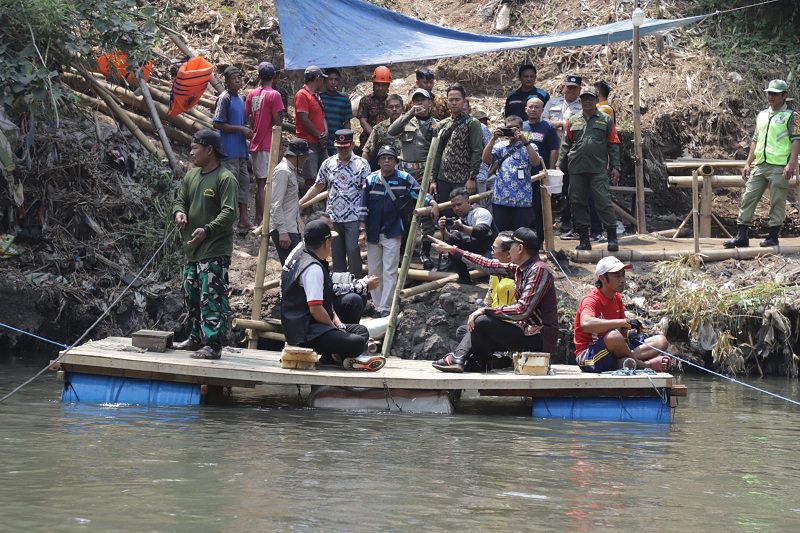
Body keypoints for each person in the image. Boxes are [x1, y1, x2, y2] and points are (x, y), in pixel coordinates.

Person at [428, 227, 558, 373]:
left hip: (538, 339)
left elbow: (522, 310)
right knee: (465, 330)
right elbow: (487, 265)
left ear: (520, 248)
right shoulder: (520, 268)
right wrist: (453, 250)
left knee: (480, 322)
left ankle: (462, 358)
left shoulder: (539, 270)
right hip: (524, 332)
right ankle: (483, 362)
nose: (509, 251)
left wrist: (485, 310)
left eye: (512, 246)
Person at [280, 220, 385, 371]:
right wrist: (334, 328)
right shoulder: (313, 268)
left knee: (361, 331)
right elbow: (316, 309)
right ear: (327, 243)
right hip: (305, 332)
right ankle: (353, 356)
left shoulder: (303, 256)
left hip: (306, 324)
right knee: (355, 342)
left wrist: (339, 325)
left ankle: (349, 357)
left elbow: (326, 302)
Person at [172, 129, 238, 360]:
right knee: (191, 294)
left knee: (212, 297)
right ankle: (195, 337)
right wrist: (179, 212)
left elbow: (229, 213)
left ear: (210, 150)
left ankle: (214, 344)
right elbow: (181, 200)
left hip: (215, 249)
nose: (191, 153)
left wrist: (207, 229)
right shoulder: (191, 176)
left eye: (194, 148)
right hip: (192, 249)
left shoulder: (225, 178)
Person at [359, 146, 437, 316]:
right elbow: (363, 206)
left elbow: (419, 193)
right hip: (372, 233)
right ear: (378, 161)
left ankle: (385, 308)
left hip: (393, 231)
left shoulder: (404, 178)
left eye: (390, 158)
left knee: (390, 270)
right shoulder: (370, 180)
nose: (387, 160)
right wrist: (362, 230)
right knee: (374, 271)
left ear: (396, 161)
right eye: (383, 157)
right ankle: (378, 304)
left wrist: (432, 203)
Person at [724, 79, 800, 249]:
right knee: (748, 197)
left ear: (784, 96)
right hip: (761, 164)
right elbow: (755, 140)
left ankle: (773, 237)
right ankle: (741, 236)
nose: (771, 97)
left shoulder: (792, 116)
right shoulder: (762, 114)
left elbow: (796, 140)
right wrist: (747, 163)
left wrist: (792, 163)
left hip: (780, 166)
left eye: (775, 94)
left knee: (777, 201)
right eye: (769, 93)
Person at [574, 256, 670, 373]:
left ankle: (628, 362)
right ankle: (645, 365)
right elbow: (586, 324)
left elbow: (621, 332)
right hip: (589, 356)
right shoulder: (591, 300)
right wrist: (622, 322)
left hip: (614, 352)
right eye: (617, 276)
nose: (623, 280)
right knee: (613, 337)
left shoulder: (617, 297)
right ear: (602, 278)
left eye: (623, 275)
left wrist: (629, 331)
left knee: (661, 341)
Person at [283, 212, 379, 324]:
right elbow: (324, 291)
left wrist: (359, 286)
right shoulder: (311, 263)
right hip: (303, 314)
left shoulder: (310, 250)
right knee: (354, 299)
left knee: (355, 286)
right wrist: (360, 286)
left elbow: (325, 284)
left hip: (301, 307)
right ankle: (343, 335)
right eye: (325, 229)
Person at [557, 86, 622, 252]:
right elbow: (566, 145)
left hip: (597, 168)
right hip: (576, 168)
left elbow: (614, 144)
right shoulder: (572, 120)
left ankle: (612, 238)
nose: (587, 102)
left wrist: (616, 166)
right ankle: (584, 239)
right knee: (577, 202)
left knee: (603, 201)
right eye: (584, 99)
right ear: (581, 101)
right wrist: (559, 166)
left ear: (595, 100)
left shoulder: (606, 120)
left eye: (590, 99)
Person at [299, 129, 370, 277]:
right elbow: (318, 186)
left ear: (352, 145)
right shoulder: (328, 163)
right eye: (339, 147)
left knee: (353, 251)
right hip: (333, 218)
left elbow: (367, 193)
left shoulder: (362, 165)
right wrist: (301, 202)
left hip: (353, 217)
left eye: (345, 146)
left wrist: (364, 223)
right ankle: (340, 288)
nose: (342, 150)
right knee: (336, 255)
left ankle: (357, 286)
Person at [389, 87, 441, 267]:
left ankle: (426, 253)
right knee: (403, 212)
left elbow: (437, 154)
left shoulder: (436, 124)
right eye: (416, 100)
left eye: (423, 100)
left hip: (423, 174)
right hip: (405, 174)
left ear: (429, 102)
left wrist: (433, 179)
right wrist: (409, 113)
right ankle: (404, 252)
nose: (420, 103)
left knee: (425, 213)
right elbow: (391, 131)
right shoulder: (407, 122)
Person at [482, 115, 541, 233]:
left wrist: (526, 142)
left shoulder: (531, 146)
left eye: (516, 128)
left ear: (521, 129)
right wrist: (493, 139)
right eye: (509, 128)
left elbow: (536, 162)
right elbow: (486, 159)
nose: (512, 131)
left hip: (522, 200)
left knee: (520, 235)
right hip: (501, 199)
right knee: (502, 235)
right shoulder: (500, 146)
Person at [213, 66, 253, 230]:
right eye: (234, 78)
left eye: (239, 78)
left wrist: (246, 129)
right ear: (227, 81)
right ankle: (225, 221)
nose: (238, 80)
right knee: (229, 187)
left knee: (244, 183)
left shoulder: (240, 99)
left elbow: (240, 121)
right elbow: (217, 123)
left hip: (241, 150)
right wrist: (240, 129)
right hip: (227, 150)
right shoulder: (225, 98)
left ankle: (243, 219)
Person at [245, 61, 285, 224]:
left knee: (260, 181)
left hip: (256, 142)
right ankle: (263, 219)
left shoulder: (251, 94)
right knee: (266, 182)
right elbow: (277, 122)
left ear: (259, 76)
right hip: (269, 143)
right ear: (274, 76)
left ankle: (258, 217)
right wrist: (280, 144)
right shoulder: (274, 95)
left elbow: (247, 116)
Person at [544, 74, 584, 236]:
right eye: (568, 87)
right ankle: (547, 222)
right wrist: (565, 124)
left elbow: (581, 124)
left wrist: (559, 125)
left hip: (571, 153)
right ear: (563, 87)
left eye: (574, 88)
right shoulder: (553, 102)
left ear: (579, 89)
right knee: (548, 187)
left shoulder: (582, 105)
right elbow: (543, 119)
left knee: (569, 188)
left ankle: (567, 222)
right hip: (550, 151)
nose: (570, 90)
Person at [431, 84, 484, 204]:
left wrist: (471, 178)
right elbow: (437, 152)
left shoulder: (472, 123)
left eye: (457, 99)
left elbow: (477, 151)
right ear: (446, 102)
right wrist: (433, 180)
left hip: (462, 179)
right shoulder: (442, 124)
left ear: (464, 101)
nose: (454, 103)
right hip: (442, 178)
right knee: (445, 213)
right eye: (451, 100)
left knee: (463, 212)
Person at [437, 187, 497, 283]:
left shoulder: (481, 212)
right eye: (453, 206)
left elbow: (481, 232)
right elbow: (452, 239)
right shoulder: (457, 221)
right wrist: (443, 229)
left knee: (489, 266)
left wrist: (461, 228)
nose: (456, 208)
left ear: (468, 202)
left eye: (459, 204)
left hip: (491, 250)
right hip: (475, 250)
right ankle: (464, 279)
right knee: (452, 247)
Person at [522, 96, 560, 240]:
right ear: (526, 109)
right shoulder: (521, 126)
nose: (533, 109)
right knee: (525, 206)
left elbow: (554, 150)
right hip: (523, 174)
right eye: (530, 107)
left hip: (539, 174)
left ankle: (540, 238)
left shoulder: (548, 127)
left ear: (542, 110)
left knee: (539, 207)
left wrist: (548, 171)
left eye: (536, 107)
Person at [269, 138, 308, 265]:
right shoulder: (283, 171)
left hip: (290, 227)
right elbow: (275, 204)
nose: (306, 160)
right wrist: (282, 232)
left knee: (296, 269)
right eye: (305, 156)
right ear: (299, 156)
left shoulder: (289, 170)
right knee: (292, 270)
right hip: (285, 230)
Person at [294, 65, 328, 192]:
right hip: (308, 142)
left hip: (320, 142)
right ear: (317, 79)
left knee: (325, 174)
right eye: (322, 79)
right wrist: (319, 135)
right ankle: (308, 210)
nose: (324, 82)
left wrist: (325, 134)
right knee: (310, 177)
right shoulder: (302, 95)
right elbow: (304, 119)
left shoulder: (316, 95)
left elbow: (322, 117)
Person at [362, 94, 404, 168]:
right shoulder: (379, 128)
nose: (394, 109)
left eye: (397, 106)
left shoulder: (411, 126)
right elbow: (367, 152)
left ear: (403, 109)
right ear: (386, 110)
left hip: (408, 170)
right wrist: (363, 171)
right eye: (391, 107)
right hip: (386, 170)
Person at [319, 68, 354, 156]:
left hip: (339, 142)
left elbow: (347, 122)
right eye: (330, 79)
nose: (333, 82)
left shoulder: (344, 99)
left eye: (336, 80)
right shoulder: (319, 98)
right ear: (324, 81)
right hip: (322, 142)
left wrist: (348, 140)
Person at [357, 66, 391, 148]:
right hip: (369, 140)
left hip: (389, 139)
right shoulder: (365, 100)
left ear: (388, 86)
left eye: (383, 85)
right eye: (377, 85)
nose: (380, 88)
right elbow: (363, 122)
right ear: (373, 85)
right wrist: (375, 135)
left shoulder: (392, 101)